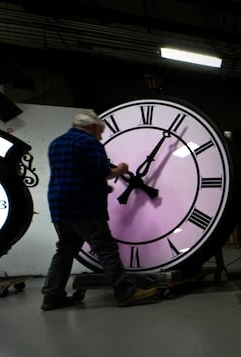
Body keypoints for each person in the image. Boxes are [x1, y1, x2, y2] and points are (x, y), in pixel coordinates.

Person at [41, 111, 157, 310]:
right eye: (100, 132)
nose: (101, 136)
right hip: (84, 206)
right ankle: (126, 293)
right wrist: (120, 170)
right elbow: (102, 171)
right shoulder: (89, 143)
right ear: (93, 127)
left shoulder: (56, 143)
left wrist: (103, 187)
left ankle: (52, 296)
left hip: (59, 205)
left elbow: (79, 174)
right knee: (106, 249)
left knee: (65, 250)